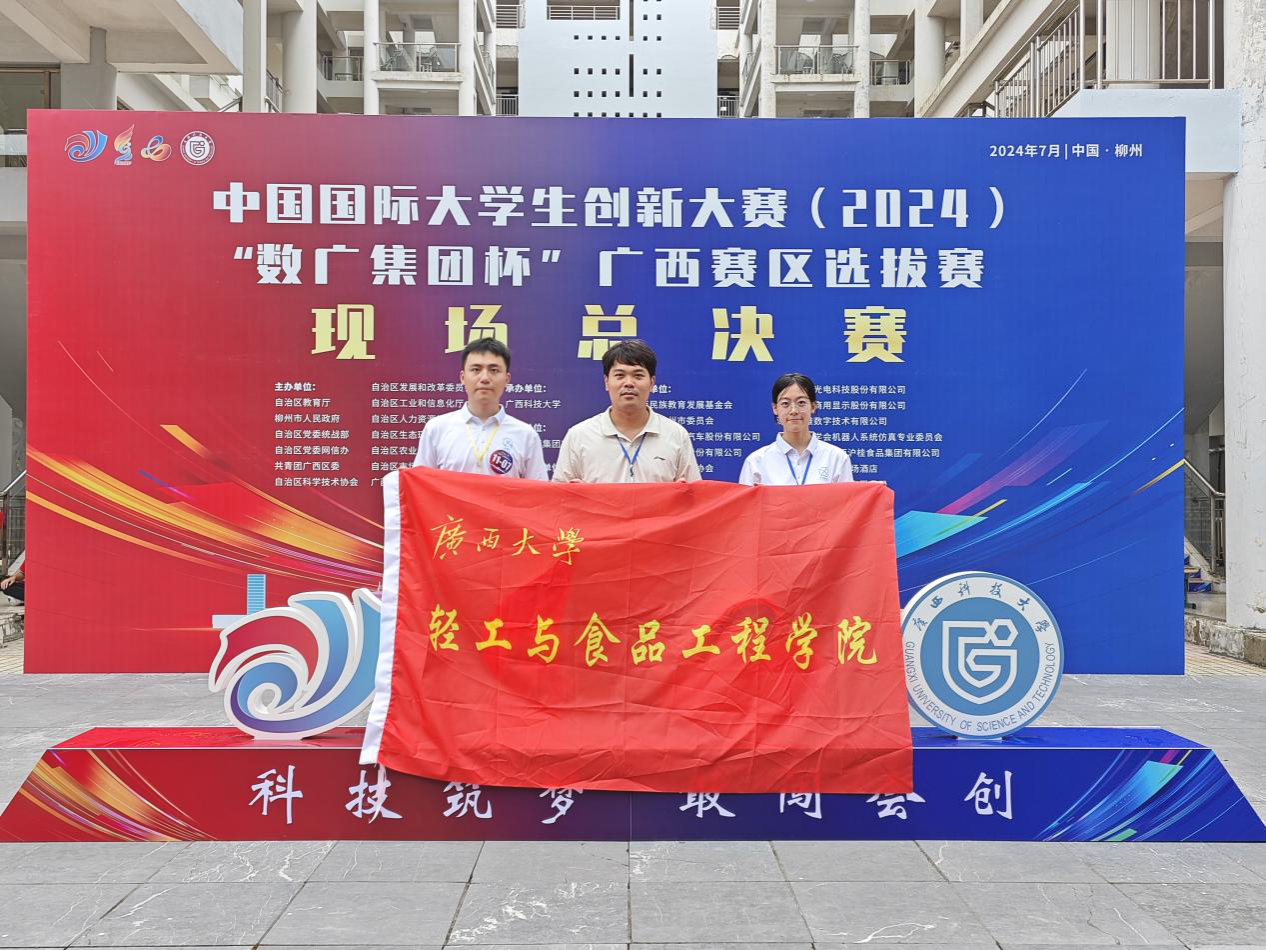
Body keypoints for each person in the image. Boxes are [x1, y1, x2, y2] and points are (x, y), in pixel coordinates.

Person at [554, 339, 701, 483]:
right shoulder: (579, 436)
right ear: (606, 382)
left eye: (638, 375)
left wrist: (685, 491)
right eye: (620, 375)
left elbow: (694, 492)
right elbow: (558, 493)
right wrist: (572, 492)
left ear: (652, 383)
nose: (629, 383)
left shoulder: (675, 434)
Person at [412, 337, 548, 479]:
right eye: (476, 370)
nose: (484, 378)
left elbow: (538, 489)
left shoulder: (526, 435)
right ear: (463, 377)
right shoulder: (436, 429)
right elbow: (420, 483)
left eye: (494, 370)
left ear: (507, 379)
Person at [738, 373, 853, 486]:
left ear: (813, 406)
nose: (793, 411)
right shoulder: (756, 462)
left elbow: (848, 498)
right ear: (775, 408)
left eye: (801, 402)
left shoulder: (836, 458)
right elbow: (746, 499)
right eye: (785, 403)